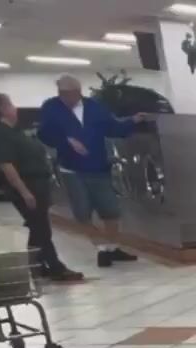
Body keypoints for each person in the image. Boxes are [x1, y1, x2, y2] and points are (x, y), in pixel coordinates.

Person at [37, 75, 144, 268]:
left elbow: (113, 128)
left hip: (98, 166)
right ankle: (102, 248)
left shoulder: (94, 107)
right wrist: (66, 140)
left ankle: (112, 248)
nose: (66, 98)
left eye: (70, 94)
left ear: (78, 92)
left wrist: (132, 121)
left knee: (111, 210)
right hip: (71, 168)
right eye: (62, 94)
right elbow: (44, 133)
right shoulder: (51, 107)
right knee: (82, 212)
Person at [0, 93, 83, 281]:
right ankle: (54, 267)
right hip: (27, 184)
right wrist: (24, 192)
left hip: (38, 183)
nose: (15, 108)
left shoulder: (15, 131)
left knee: (36, 226)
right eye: (11, 105)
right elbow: (6, 165)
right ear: (1, 108)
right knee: (40, 228)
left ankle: (36, 265)